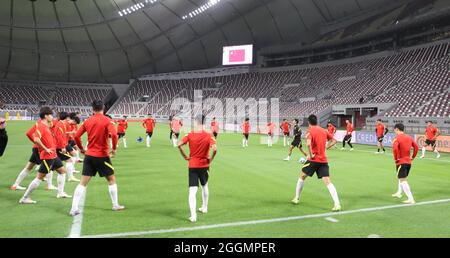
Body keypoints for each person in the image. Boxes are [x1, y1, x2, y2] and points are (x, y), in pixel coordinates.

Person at [70, 100, 124, 216]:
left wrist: (81, 149)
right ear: (103, 108)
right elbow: (114, 135)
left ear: (92, 109)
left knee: (82, 183)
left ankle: (74, 208)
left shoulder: (87, 121)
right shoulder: (108, 120)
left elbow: (76, 136)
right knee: (111, 180)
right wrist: (114, 148)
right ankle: (115, 205)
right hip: (102, 156)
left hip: (89, 155)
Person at [19, 107, 71, 204]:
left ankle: (60, 193)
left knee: (62, 171)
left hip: (53, 155)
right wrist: (45, 149)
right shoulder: (41, 126)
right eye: (51, 115)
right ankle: (25, 197)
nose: (52, 116)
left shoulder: (46, 126)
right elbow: (36, 139)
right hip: (48, 156)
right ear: (46, 116)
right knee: (39, 178)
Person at [292, 115, 341, 212]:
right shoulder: (324, 130)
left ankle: (296, 198)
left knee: (301, 176)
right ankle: (337, 204)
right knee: (328, 182)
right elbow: (334, 141)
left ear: (309, 122)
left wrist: (311, 155)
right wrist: (326, 148)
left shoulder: (310, 131)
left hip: (313, 160)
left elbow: (309, 144)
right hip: (323, 160)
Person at [178, 115, 217, 223]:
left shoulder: (190, 134)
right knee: (205, 186)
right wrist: (211, 159)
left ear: (196, 122)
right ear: (204, 122)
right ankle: (204, 207)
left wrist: (185, 156)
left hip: (193, 165)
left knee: (192, 190)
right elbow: (215, 149)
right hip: (204, 165)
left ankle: (193, 216)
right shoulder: (209, 135)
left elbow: (179, 145)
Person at [11, 120, 57, 191]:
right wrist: (38, 143)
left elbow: (29, 133)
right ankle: (49, 185)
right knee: (49, 166)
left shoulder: (40, 123)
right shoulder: (44, 123)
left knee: (29, 166)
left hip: (36, 148)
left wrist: (36, 143)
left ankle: (15, 184)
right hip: (41, 150)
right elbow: (29, 133)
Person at [391, 123, 419, 204]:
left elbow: (395, 149)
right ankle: (399, 192)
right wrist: (412, 157)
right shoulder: (409, 137)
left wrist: (396, 159)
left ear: (396, 129)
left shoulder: (396, 138)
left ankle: (411, 198)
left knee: (403, 180)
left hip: (401, 162)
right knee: (401, 177)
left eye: (394, 129)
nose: (394, 131)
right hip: (408, 161)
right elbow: (416, 147)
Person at [54, 112, 79, 182]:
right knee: (69, 160)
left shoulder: (62, 124)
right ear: (66, 117)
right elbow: (59, 136)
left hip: (61, 145)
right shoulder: (61, 125)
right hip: (59, 147)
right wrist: (62, 147)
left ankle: (70, 176)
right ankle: (70, 177)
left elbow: (63, 134)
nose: (69, 119)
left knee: (69, 160)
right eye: (68, 117)